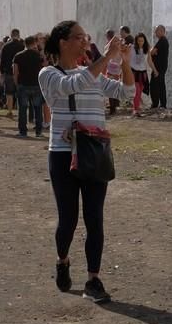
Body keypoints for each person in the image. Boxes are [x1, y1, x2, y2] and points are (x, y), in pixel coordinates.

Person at [39, 20, 134, 303]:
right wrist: (105, 58)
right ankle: (63, 260)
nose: (84, 41)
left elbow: (126, 93)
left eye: (86, 37)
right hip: (63, 154)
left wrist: (125, 63)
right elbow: (73, 85)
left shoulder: (91, 72)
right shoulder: (49, 74)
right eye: (79, 37)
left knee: (95, 218)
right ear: (62, 42)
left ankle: (93, 280)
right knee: (67, 219)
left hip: (94, 152)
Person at [13, 35, 45, 137]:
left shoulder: (18, 56)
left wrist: (16, 84)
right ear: (34, 44)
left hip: (23, 84)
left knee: (22, 110)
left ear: (25, 44)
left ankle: (23, 132)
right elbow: (44, 67)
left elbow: (15, 72)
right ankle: (38, 131)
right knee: (38, 109)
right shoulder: (38, 56)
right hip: (36, 84)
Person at [129, 32, 157, 117]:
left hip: (143, 72)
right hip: (134, 72)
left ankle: (137, 107)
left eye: (142, 41)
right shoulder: (132, 48)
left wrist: (155, 70)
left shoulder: (147, 48)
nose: (140, 42)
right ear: (136, 41)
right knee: (136, 91)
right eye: (139, 41)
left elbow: (149, 61)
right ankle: (136, 109)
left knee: (140, 90)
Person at [0, 29, 25, 118]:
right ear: (18, 35)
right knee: (20, 93)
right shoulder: (22, 46)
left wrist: (2, 72)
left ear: (11, 35)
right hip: (20, 73)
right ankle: (20, 111)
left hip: (9, 72)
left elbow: (2, 61)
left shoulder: (5, 46)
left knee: (9, 93)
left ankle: (10, 111)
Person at [104, 29, 123, 115]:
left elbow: (105, 56)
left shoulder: (109, 45)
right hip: (116, 70)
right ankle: (114, 105)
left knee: (111, 88)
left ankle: (113, 108)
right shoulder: (118, 44)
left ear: (108, 36)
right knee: (114, 87)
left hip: (112, 70)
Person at [149, 24, 169, 109]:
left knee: (155, 85)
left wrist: (152, 51)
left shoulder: (162, 41)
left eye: (157, 30)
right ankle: (161, 104)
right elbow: (153, 52)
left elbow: (152, 52)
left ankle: (157, 104)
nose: (155, 32)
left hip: (159, 67)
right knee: (159, 85)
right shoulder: (161, 41)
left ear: (162, 31)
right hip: (160, 67)